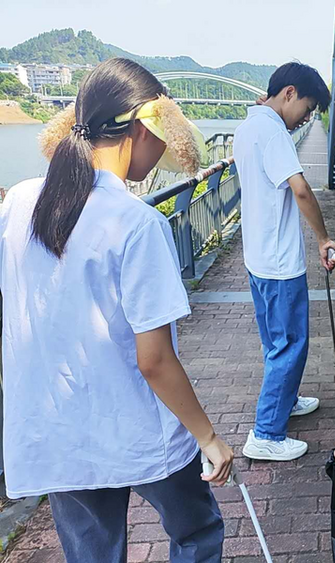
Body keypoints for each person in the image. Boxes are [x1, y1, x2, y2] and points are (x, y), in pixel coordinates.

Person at [0, 58, 234, 563]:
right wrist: (209, 437)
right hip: (138, 427)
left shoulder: (18, 203)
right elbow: (155, 360)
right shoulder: (136, 222)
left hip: (58, 431)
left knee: (93, 554)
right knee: (197, 533)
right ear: (144, 125)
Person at [234, 62, 335, 462]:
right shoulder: (273, 131)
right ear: (290, 93)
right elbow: (301, 191)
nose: (308, 118)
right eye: (309, 109)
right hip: (279, 264)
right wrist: (324, 237)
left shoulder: (247, 128)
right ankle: (266, 433)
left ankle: (286, 400)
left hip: (257, 258)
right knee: (290, 344)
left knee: (274, 341)